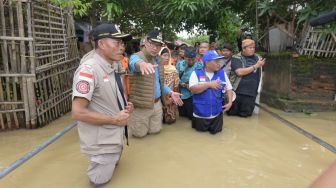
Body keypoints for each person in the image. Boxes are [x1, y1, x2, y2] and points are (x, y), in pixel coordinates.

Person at [71, 23, 134, 187]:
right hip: (102, 143)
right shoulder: (89, 69)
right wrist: (114, 119)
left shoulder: (112, 63)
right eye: (117, 42)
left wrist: (126, 105)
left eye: (122, 43)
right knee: (99, 181)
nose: (122, 47)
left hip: (115, 135)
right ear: (101, 44)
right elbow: (77, 112)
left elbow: (109, 93)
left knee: (112, 168)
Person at [128, 31, 183, 138]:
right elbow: (134, 63)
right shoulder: (136, 56)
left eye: (158, 45)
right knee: (139, 135)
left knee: (155, 132)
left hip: (157, 104)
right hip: (141, 106)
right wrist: (142, 64)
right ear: (145, 42)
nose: (155, 48)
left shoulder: (158, 59)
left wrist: (171, 92)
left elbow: (159, 83)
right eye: (152, 44)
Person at [189, 50, 233, 134]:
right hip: (200, 115)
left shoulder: (221, 73)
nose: (218, 63)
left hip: (217, 115)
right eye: (216, 61)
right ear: (207, 63)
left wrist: (230, 102)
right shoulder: (196, 73)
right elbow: (193, 89)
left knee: (216, 137)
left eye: (219, 61)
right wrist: (208, 84)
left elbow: (229, 88)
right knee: (200, 138)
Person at [227, 39, 265, 117]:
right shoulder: (236, 57)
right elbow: (239, 72)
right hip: (236, 92)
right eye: (250, 47)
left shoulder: (258, 58)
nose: (252, 49)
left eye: (253, 47)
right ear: (243, 48)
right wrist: (255, 66)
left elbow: (262, 74)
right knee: (231, 114)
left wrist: (258, 89)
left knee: (245, 116)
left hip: (251, 94)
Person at [176, 47, 202, 119]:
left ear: (196, 58)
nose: (190, 62)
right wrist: (184, 84)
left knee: (192, 116)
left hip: (193, 95)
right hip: (181, 94)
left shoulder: (199, 66)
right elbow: (175, 78)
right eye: (188, 59)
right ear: (184, 57)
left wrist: (192, 85)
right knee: (182, 115)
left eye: (193, 59)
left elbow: (202, 81)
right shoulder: (179, 65)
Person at [160, 47, 179, 124]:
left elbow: (176, 84)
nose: (167, 58)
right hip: (160, 96)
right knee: (159, 120)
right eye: (164, 55)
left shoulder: (173, 69)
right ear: (159, 56)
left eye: (168, 55)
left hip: (171, 96)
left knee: (170, 120)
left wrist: (174, 96)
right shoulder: (156, 69)